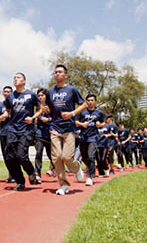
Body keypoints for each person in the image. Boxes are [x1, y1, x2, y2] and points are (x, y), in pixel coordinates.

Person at [45, 64, 87, 195]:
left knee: (67, 157)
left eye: (60, 72)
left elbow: (84, 104)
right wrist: (45, 109)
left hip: (69, 128)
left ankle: (76, 168)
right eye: (55, 72)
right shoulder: (50, 92)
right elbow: (47, 108)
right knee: (56, 158)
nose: (57, 74)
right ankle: (63, 185)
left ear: (66, 75)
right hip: (55, 128)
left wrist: (72, 114)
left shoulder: (72, 90)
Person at [0, 73, 41, 191]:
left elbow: (40, 109)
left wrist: (32, 118)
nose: (15, 79)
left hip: (26, 129)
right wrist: (4, 115)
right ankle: (20, 181)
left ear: (24, 81)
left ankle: (32, 173)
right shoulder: (10, 97)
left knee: (21, 155)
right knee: (10, 157)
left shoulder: (31, 95)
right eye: (14, 78)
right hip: (12, 129)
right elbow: (8, 111)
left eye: (18, 78)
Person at [76, 94, 105, 186]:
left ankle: (90, 177)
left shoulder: (99, 113)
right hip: (83, 138)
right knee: (85, 157)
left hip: (93, 138)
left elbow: (104, 123)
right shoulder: (82, 112)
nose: (90, 102)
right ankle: (91, 167)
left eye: (92, 100)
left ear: (95, 102)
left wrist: (99, 125)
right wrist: (82, 124)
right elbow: (76, 122)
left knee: (90, 156)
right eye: (88, 100)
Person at [0, 85, 14, 183]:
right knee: (6, 155)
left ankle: (14, 174)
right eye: (5, 91)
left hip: (14, 132)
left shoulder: (15, 105)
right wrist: (1, 117)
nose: (7, 93)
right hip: (4, 132)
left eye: (9, 92)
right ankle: (10, 174)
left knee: (13, 155)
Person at [35, 88, 55, 178]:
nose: (40, 97)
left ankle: (54, 168)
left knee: (51, 155)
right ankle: (37, 173)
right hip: (39, 134)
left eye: (42, 95)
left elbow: (56, 119)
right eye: (38, 95)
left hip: (50, 133)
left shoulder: (51, 106)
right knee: (38, 152)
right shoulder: (37, 107)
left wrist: (48, 119)